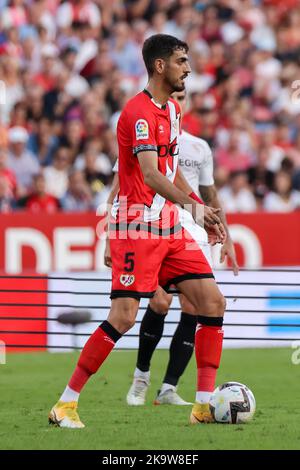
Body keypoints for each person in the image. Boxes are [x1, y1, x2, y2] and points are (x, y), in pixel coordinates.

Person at [49, 34, 226, 428]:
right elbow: (147, 173)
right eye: (182, 61)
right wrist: (191, 206)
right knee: (124, 317)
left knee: (212, 303)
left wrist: (199, 208)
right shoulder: (137, 114)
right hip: (138, 227)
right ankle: (66, 403)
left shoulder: (173, 112)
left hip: (169, 226)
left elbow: (169, 168)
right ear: (160, 66)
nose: (189, 69)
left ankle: (202, 406)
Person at [104, 89, 238, 406]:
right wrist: (112, 233)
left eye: (183, 97)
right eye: (174, 95)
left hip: (189, 227)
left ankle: (169, 388)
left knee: (198, 306)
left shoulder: (198, 147)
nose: (178, 101)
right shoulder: (146, 132)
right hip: (151, 225)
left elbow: (211, 194)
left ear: (186, 104)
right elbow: (119, 185)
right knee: (160, 302)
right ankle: (141, 377)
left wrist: (225, 232)